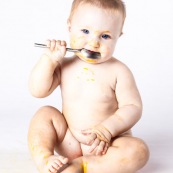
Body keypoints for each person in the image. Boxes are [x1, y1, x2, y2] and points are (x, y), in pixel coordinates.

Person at [28, 0, 149, 173]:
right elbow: (37, 91)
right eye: (85, 31)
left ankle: (83, 165)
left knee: (138, 150)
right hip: (69, 140)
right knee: (44, 113)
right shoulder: (64, 65)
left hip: (105, 147)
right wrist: (49, 60)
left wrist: (107, 129)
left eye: (105, 36)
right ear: (70, 26)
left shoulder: (119, 71)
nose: (94, 43)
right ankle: (44, 159)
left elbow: (133, 107)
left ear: (118, 36)